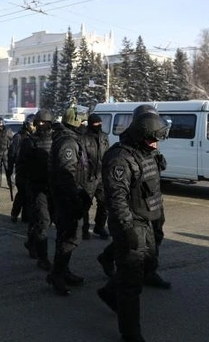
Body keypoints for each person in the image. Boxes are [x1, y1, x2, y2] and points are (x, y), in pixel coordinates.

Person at [97, 111, 170, 342]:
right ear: (140, 135)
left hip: (146, 219)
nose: (156, 144)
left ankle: (109, 292)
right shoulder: (120, 158)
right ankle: (130, 333)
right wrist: (127, 229)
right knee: (131, 282)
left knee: (148, 263)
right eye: (152, 139)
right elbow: (116, 199)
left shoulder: (145, 150)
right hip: (130, 222)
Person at [47, 107, 89, 296]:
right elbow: (66, 174)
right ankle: (57, 275)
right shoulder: (68, 142)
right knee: (70, 236)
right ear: (75, 123)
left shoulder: (71, 139)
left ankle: (62, 271)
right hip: (66, 197)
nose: (85, 126)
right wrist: (75, 199)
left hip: (70, 195)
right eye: (83, 122)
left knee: (67, 236)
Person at [17, 109, 54, 271]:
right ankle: (43, 258)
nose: (41, 125)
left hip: (51, 186)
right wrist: (24, 186)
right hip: (36, 186)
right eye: (39, 122)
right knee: (43, 221)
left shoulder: (56, 140)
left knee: (43, 220)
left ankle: (31, 242)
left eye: (45, 123)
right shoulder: (29, 142)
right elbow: (21, 166)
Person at [81, 113, 110, 240]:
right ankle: (84, 228)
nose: (98, 125)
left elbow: (107, 153)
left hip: (102, 175)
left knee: (104, 203)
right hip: (88, 176)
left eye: (100, 123)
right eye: (96, 123)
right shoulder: (84, 138)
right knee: (85, 204)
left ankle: (99, 226)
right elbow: (82, 158)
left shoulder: (104, 136)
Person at [8, 113, 35, 223]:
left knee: (29, 195)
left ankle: (26, 216)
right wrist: (10, 169)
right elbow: (12, 154)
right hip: (21, 169)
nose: (33, 127)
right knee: (22, 194)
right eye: (31, 124)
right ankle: (14, 214)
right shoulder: (19, 137)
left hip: (30, 170)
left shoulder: (34, 137)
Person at [0, 117, 14, 188]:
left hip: (6, 152)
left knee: (8, 169)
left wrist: (9, 148)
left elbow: (12, 139)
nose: (0, 126)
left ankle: (11, 184)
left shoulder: (7, 131)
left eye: (0, 124)